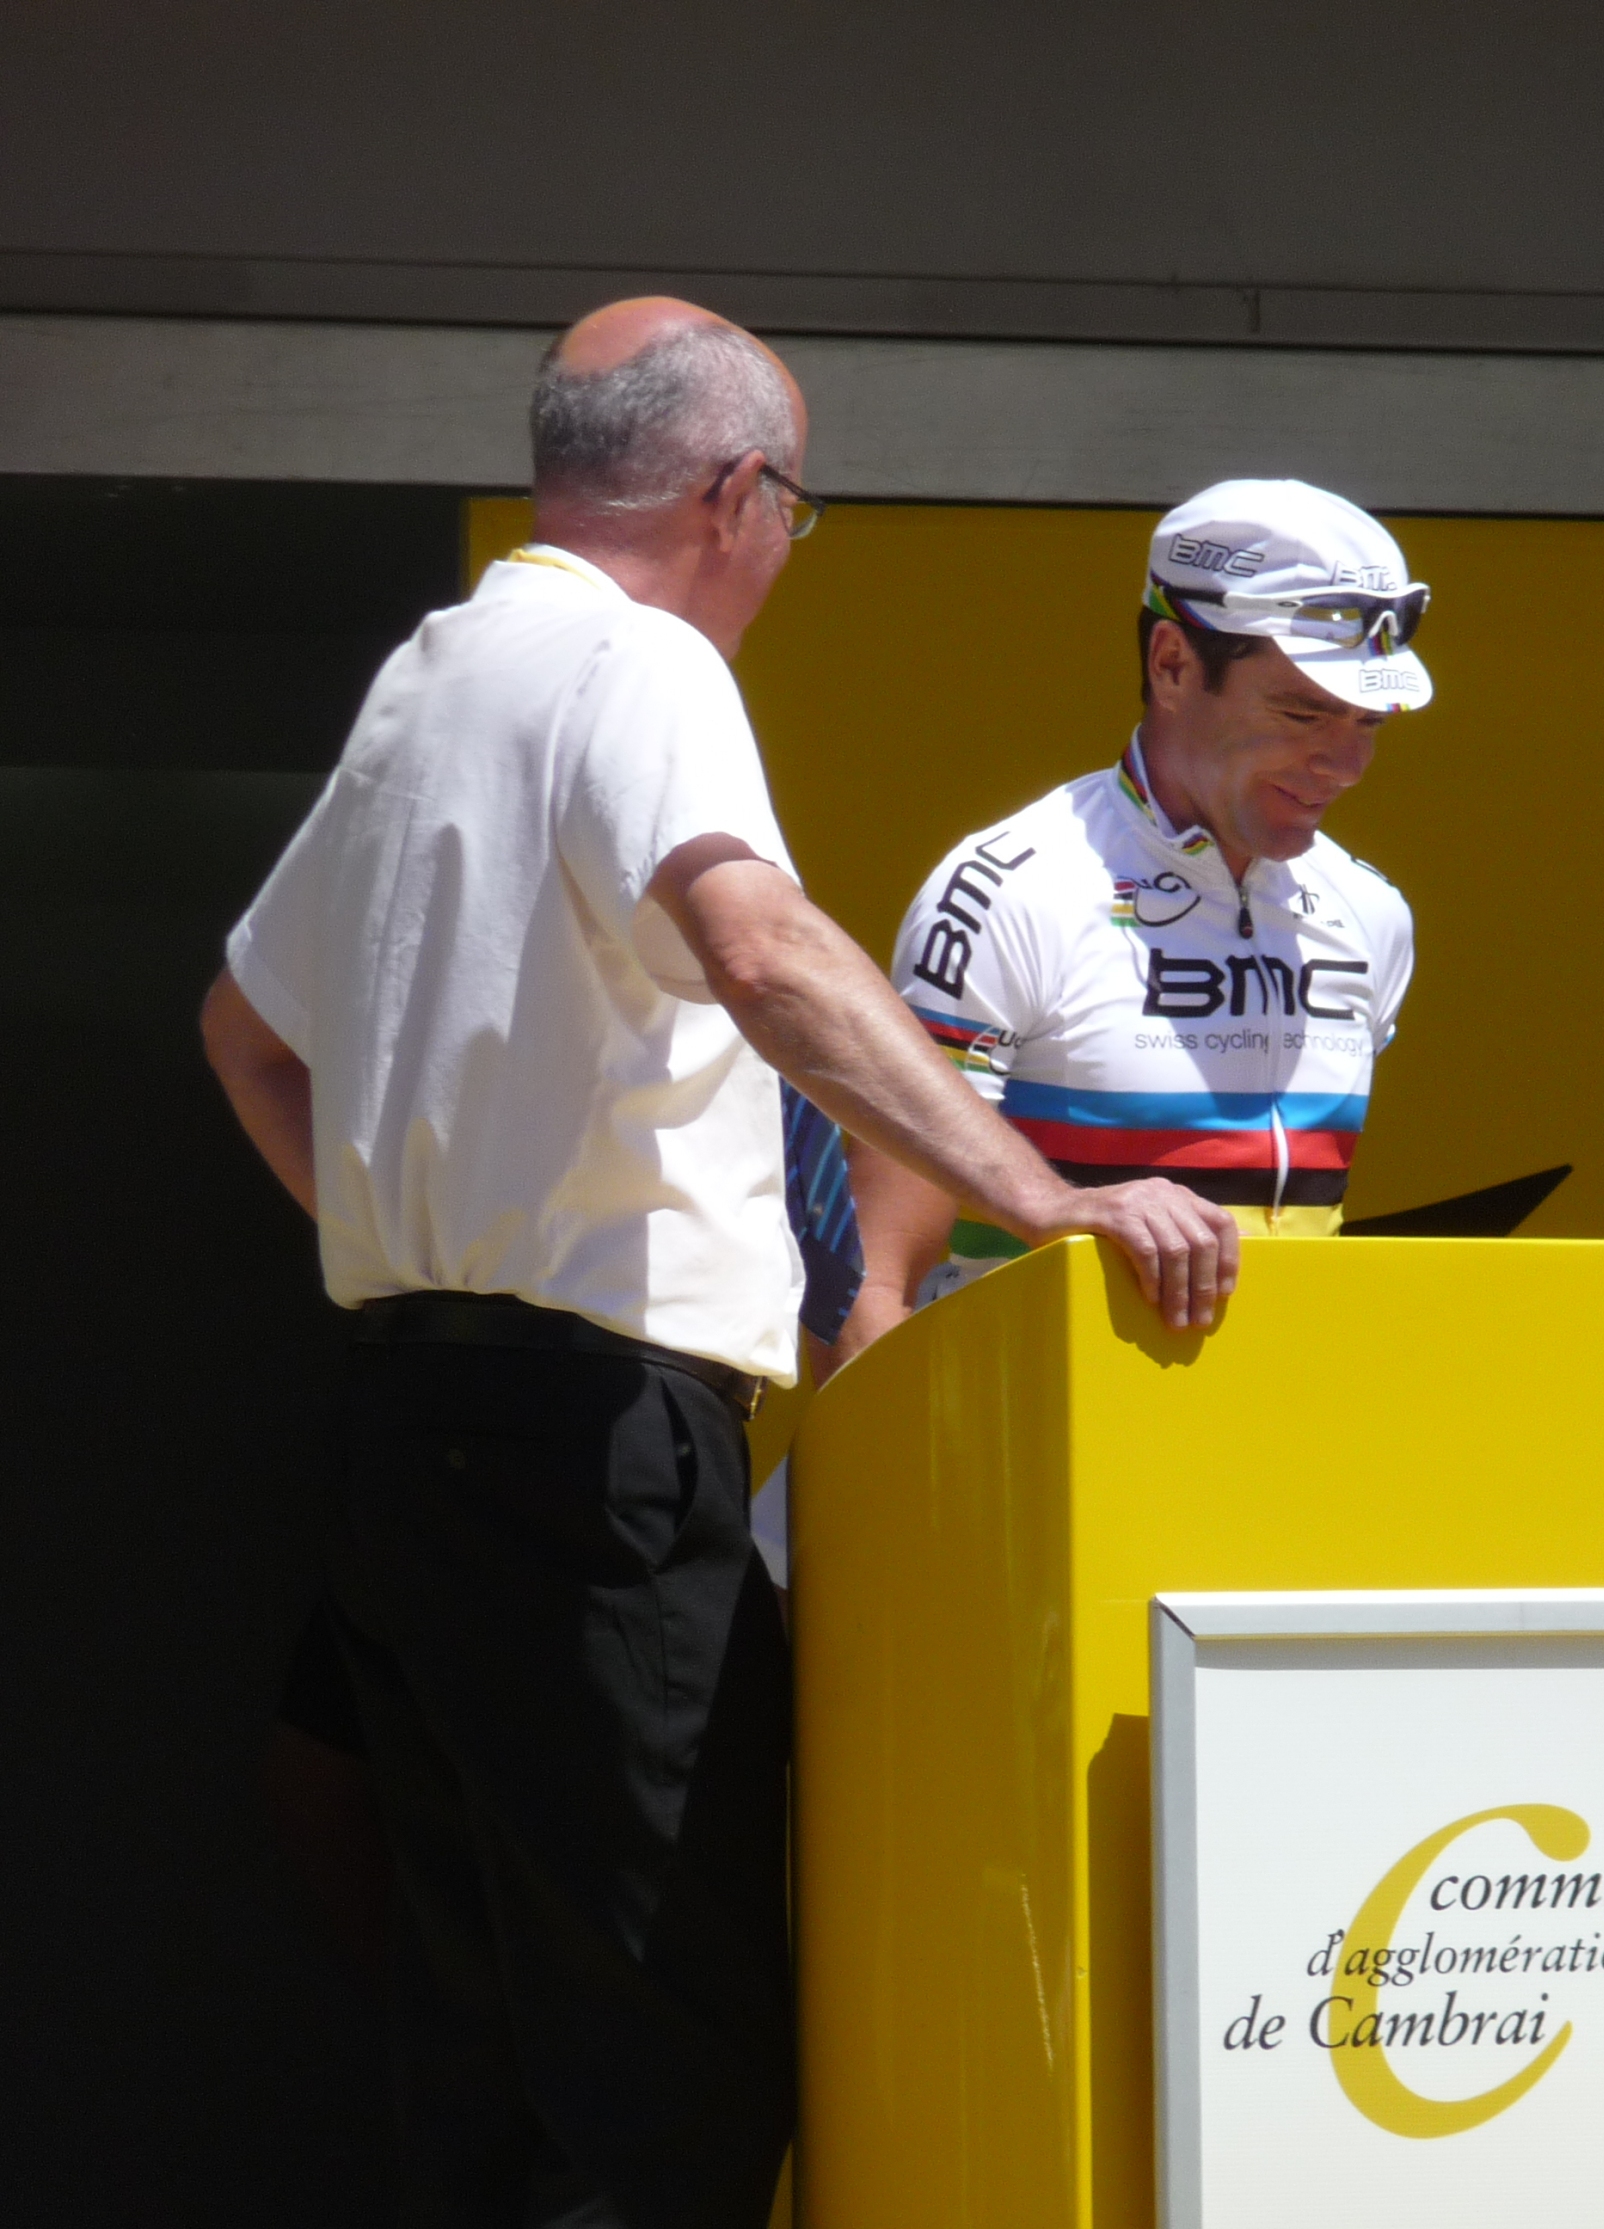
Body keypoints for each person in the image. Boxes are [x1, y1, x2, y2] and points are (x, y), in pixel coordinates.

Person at [198, 297, 1236, 2228]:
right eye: (794, 517)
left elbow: (245, 1036)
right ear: (737, 492)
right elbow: (761, 951)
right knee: (658, 2069)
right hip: (593, 1441)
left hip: (407, 1423)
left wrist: (418, 1238)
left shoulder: (433, 673)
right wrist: (1044, 1190)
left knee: (487, 2055)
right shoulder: (642, 660)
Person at [831, 479, 1425, 1366]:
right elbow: (870, 1285)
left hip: (1275, 1428)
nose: (1346, 763)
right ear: (1173, 663)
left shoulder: (1368, 911)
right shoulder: (1011, 893)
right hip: (1049, 1432)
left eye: (1369, 721)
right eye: (1301, 712)